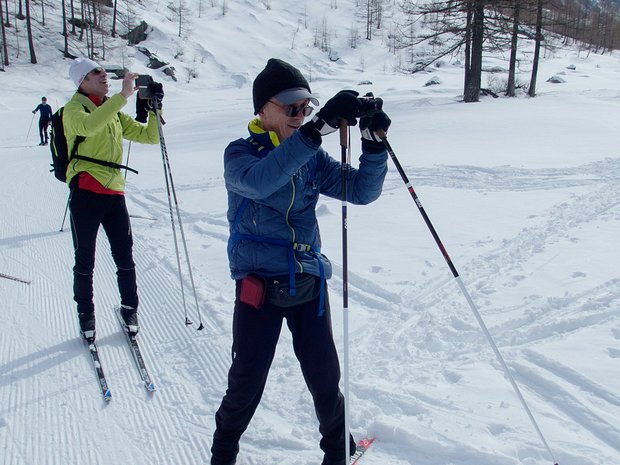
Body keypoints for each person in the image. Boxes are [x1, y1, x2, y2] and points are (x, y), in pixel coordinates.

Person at [211, 58, 391, 465]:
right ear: (262, 109)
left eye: (306, 107)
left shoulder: (309, 157)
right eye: (291, 106)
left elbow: (361, 190)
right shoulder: (240, 154)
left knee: (326, 381)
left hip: (308, 283)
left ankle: (339, 452)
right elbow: (261, 182)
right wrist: (314, 131)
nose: (300, 114)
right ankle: (222, 455)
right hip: (259, 288)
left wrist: (372, 143)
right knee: (245, 385)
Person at [63, 57, 163, 341]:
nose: (103, 74)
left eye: (103, 70)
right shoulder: (73, 109)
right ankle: (86, 314)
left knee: (124, 256)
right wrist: (121, 97)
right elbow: (89, 127)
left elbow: (149, 136)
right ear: (83, 81)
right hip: (85, 191)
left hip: (114, 192)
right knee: (85, 259)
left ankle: (130, 308)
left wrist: (154, 108)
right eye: (96, 72)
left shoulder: (114, 111)